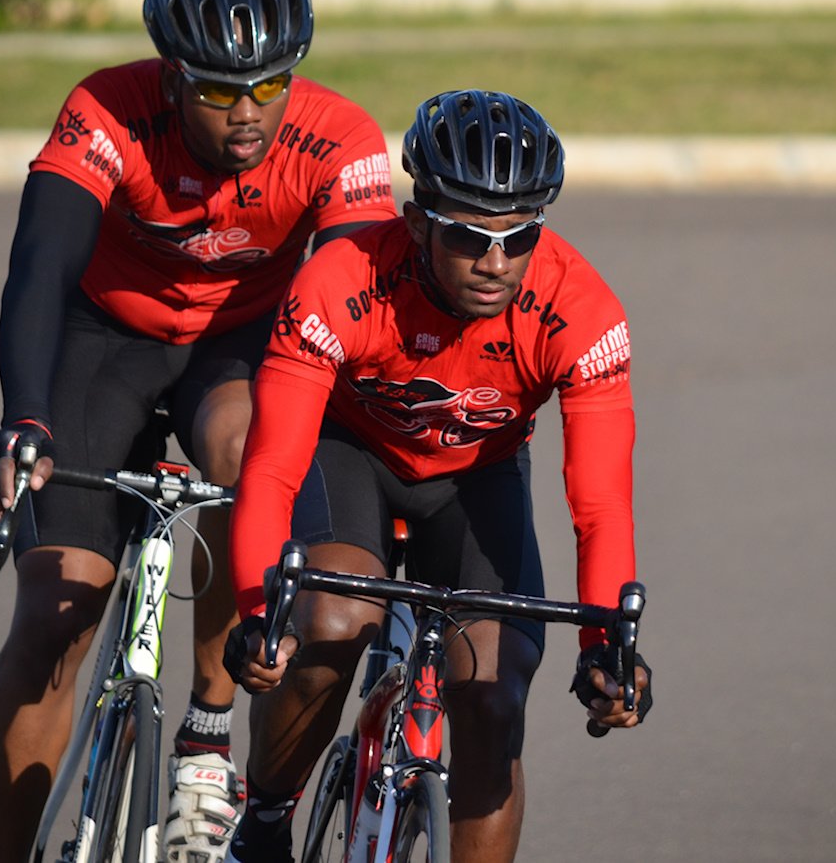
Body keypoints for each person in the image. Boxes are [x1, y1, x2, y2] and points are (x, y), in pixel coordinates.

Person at [0, 0, 397, 863]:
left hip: (243, 344)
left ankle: (207, 739)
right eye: (216, 88)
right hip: (106, 337)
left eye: (270, 84)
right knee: (54, 616)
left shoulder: (341, 137)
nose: (248, 111)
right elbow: (40, 271)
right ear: (170, 73)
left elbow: (361, 306)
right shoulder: (106, 110)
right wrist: (25, 419)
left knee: (249, 462)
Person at [221, 89, 653, 863]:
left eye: (519, 238)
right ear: (416, 221)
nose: (495, 263)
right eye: (467, 236)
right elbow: (273, 464)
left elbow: (600, 506)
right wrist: (260, 610)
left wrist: (605, 646)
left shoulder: (581, 311)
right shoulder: (339, 279)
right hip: (348, 453)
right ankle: (262, 826)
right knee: (327, 627)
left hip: (474, 478)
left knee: (492, 700)